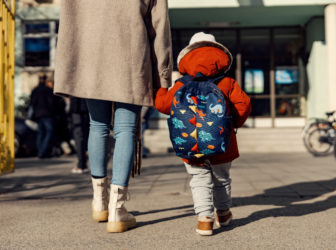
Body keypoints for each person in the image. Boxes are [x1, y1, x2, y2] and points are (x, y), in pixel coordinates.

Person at [54, 1, 172, 233]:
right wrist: (164, 75)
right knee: (126, 129)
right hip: (131, 56)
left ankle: (99, 202)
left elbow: (69, 22)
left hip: (91, 59)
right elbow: (160, 27)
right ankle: (117, 209)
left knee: (96, 126)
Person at [155, 32, 251, 236]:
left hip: (190, 143)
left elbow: (163, 105)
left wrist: (162, 90)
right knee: (222, 178)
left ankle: (204, 220)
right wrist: (233, 124)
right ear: (219, 56)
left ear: (187, 57)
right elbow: (244, 105)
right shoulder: (227, 82)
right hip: (223, 141)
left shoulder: (181, 84)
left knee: (199, 179)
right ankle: (223, 214)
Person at [30, 73, 55, 158]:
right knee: (49, 132)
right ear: (45, 80)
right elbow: (52, 102)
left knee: (40, 133)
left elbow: (32, 103)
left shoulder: (35, 90)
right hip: (47, 113)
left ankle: (40, 151)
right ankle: (42, 151)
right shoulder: (47, 90)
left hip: (38, 114)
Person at [69, 97, 90, 174]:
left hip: (78, 107)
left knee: (79, 135)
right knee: (86, 135)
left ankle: (81, 164)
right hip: (88, 105)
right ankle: (83, 163)